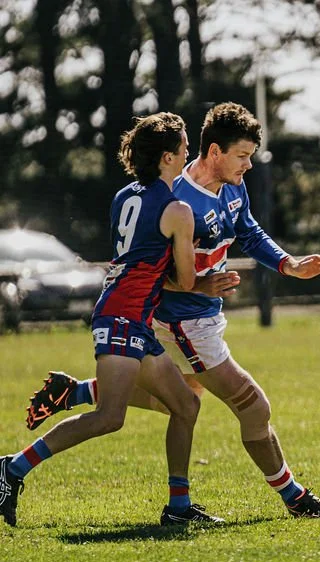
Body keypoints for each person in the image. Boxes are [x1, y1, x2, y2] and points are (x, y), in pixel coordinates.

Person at [24, 102, 320, 519]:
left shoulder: (232, 185)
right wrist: (197, 284)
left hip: (203, 315)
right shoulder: (176, 197)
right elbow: (150, 267)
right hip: (182, 320)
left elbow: (248, 230)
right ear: (214, 152)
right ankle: (295, 498)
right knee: (253, 406)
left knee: (174, 402)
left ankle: (81, 393)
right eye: (242, 155)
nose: (248, 165)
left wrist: (289, 264)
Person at [0, 112, 207, 527]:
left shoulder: (124, 195)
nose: (190, 151)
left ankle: (179, 509)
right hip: (123, 317)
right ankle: (12, 468)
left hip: (126, 316)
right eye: (185, 145)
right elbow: (184, 280)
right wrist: (206, 273)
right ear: (168, 157)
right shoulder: (178, 210)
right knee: (111, 417)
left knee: (185, 404)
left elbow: (140, 258)